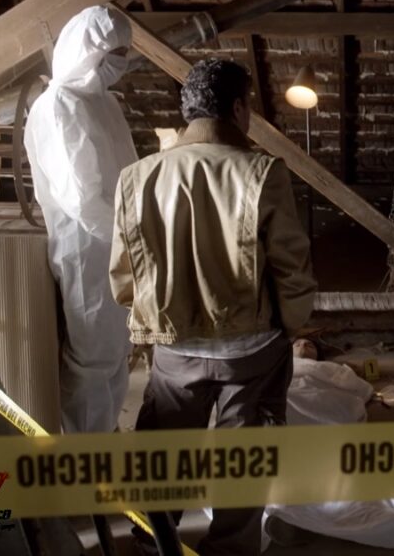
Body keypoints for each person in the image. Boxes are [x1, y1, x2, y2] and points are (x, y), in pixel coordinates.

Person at [110, 59, 316, 555]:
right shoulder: (263, 172)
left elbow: (123, 276)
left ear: (189, 111)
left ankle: (151, 545)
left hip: (174, 348)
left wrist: (159, 324)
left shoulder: (136, 177)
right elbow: (291, 269)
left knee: (163, 455)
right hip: (251, 351)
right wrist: (290, 327)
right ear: (239, 108)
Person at [24, 6, 136, 434]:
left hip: (116, 241)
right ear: (88, 51)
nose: (119, 62)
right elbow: (81, 199)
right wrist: (129, 237)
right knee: (93, 357)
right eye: (113, 53)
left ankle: (104, 437)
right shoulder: (59, 106)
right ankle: (83, 451)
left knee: (117, 350)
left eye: (123, 53)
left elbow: (126, 173)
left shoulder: (104, 102)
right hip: (86, 248)